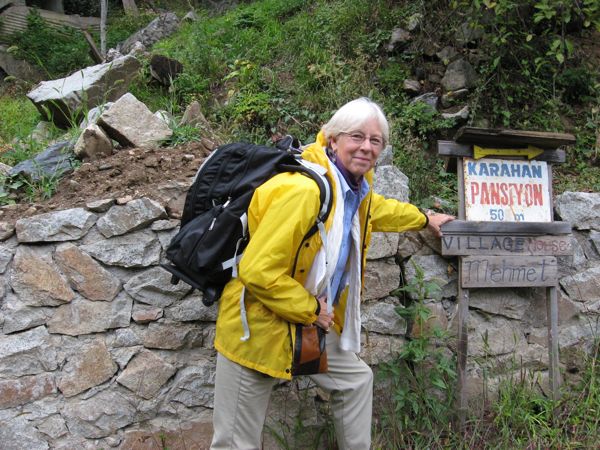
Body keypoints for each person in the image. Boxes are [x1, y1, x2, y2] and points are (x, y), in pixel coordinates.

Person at [210, 97, 454, 449]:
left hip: (306, 324)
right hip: (258, 325)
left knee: (355, 381)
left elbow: (376, 211)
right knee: (235, 442)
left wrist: (424, 219)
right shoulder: (303, 190)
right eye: (357, 136)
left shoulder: (352, 189)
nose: (367, 147)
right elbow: (258, 270)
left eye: (375, 141)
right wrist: (312, 310)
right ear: (331, 139)